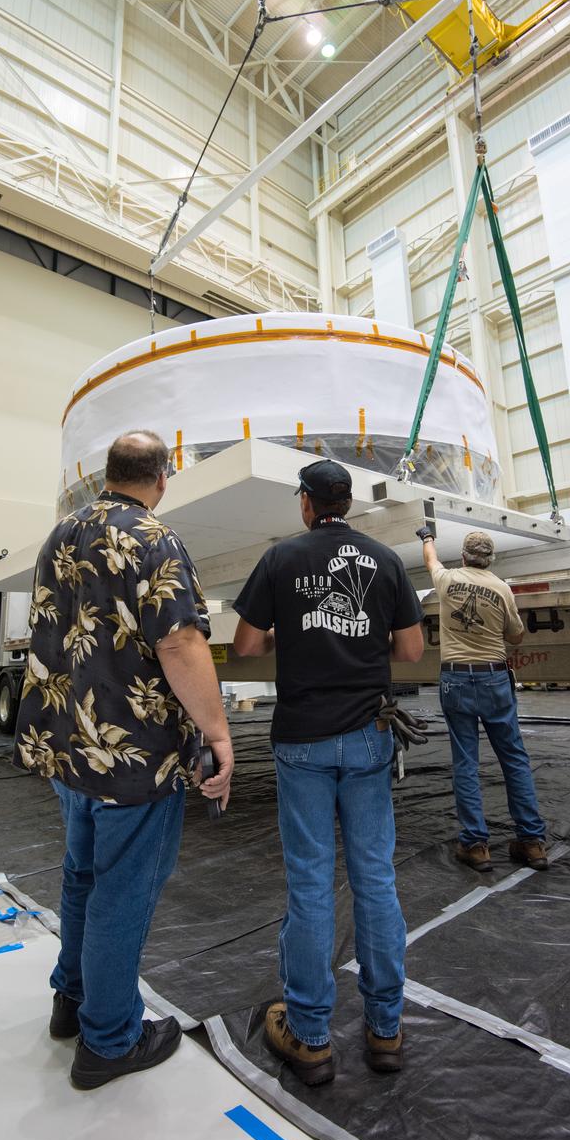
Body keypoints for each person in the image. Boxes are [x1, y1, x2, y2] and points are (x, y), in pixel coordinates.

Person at [13, 430, 234, 1091]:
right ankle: (109, 1039)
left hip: (68, 746)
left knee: (82, 877)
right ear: (162, 478)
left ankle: (71, 1001)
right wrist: (218, 732)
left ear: (106, 473)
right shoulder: (154, 537)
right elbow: (180, 643)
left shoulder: (60, 535)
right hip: (133, 756)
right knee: (123, 891)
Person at [234, 459, 425, 1086]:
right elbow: (412, 651)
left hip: (303, 739)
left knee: (311, 883)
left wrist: (294, 629)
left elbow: (245, 646)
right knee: (375, 878)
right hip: (368, 736)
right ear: (349, 502)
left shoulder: (281, 558)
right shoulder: (386, 560)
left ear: (306, 503)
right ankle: (386, 1029)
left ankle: (311, 1036)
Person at [418, 525, 548, 874]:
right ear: (491, 559)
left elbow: (430, 559)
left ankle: (475, 846)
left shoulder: (446, 580)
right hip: (494, 679)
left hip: (456, 678)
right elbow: (516, 637)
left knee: (465, 763)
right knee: (514, 759)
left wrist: (427, 536)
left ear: (462, 556)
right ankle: (532, 842)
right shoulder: (502, 588)